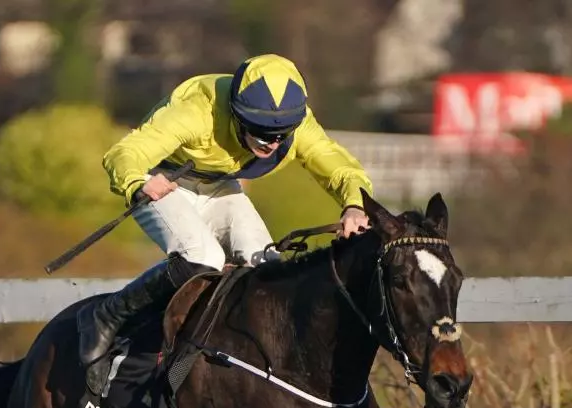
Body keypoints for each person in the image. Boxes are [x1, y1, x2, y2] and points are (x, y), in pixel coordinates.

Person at [77, 53, 376, 369]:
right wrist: (137, 182)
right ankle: (108, 314)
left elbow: (341, 169)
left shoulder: (298, 124)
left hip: (219, 185)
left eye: (281, 135)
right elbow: (126, 152)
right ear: (235, 113)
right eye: (259, 132)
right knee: (202, 258)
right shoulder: (197, 112)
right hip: (163, 180)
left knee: (268, 269)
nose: (271, 144)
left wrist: (354, 206)